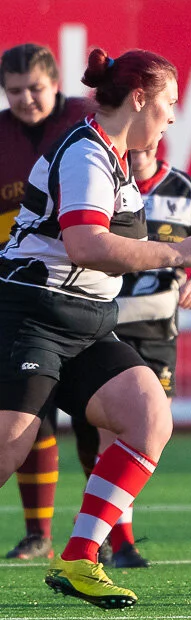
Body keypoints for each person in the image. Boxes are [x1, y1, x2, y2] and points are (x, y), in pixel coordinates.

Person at [0, 47, 191, 609]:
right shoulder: (88, 153)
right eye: (168, 103)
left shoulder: (114, 153)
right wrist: (176, 253)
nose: (172, 117)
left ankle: (78, 559)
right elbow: (86, 245)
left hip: (87, 324)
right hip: (33, 315)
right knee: (8, 452)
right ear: (139, 98)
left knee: (148, 418)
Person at [65, 141, 191, 570]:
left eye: (140, 150)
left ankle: (104, 538)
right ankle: (120, 545)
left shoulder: (185, 189)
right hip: (105, 320)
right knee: (111, 433)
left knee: (148, 429)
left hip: (156, 329)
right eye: (127, 151)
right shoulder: (100, 182)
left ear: (157, 144)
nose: (132, 157)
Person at [0, 42, 95, 562]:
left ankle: (112, 536)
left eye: (34, 88)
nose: (25, 99)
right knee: (28, 409)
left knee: (94, 418)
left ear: (56, 83)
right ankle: (39, 533)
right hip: (17, 289)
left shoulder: (86, 121)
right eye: (14, 91)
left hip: (82, 288)